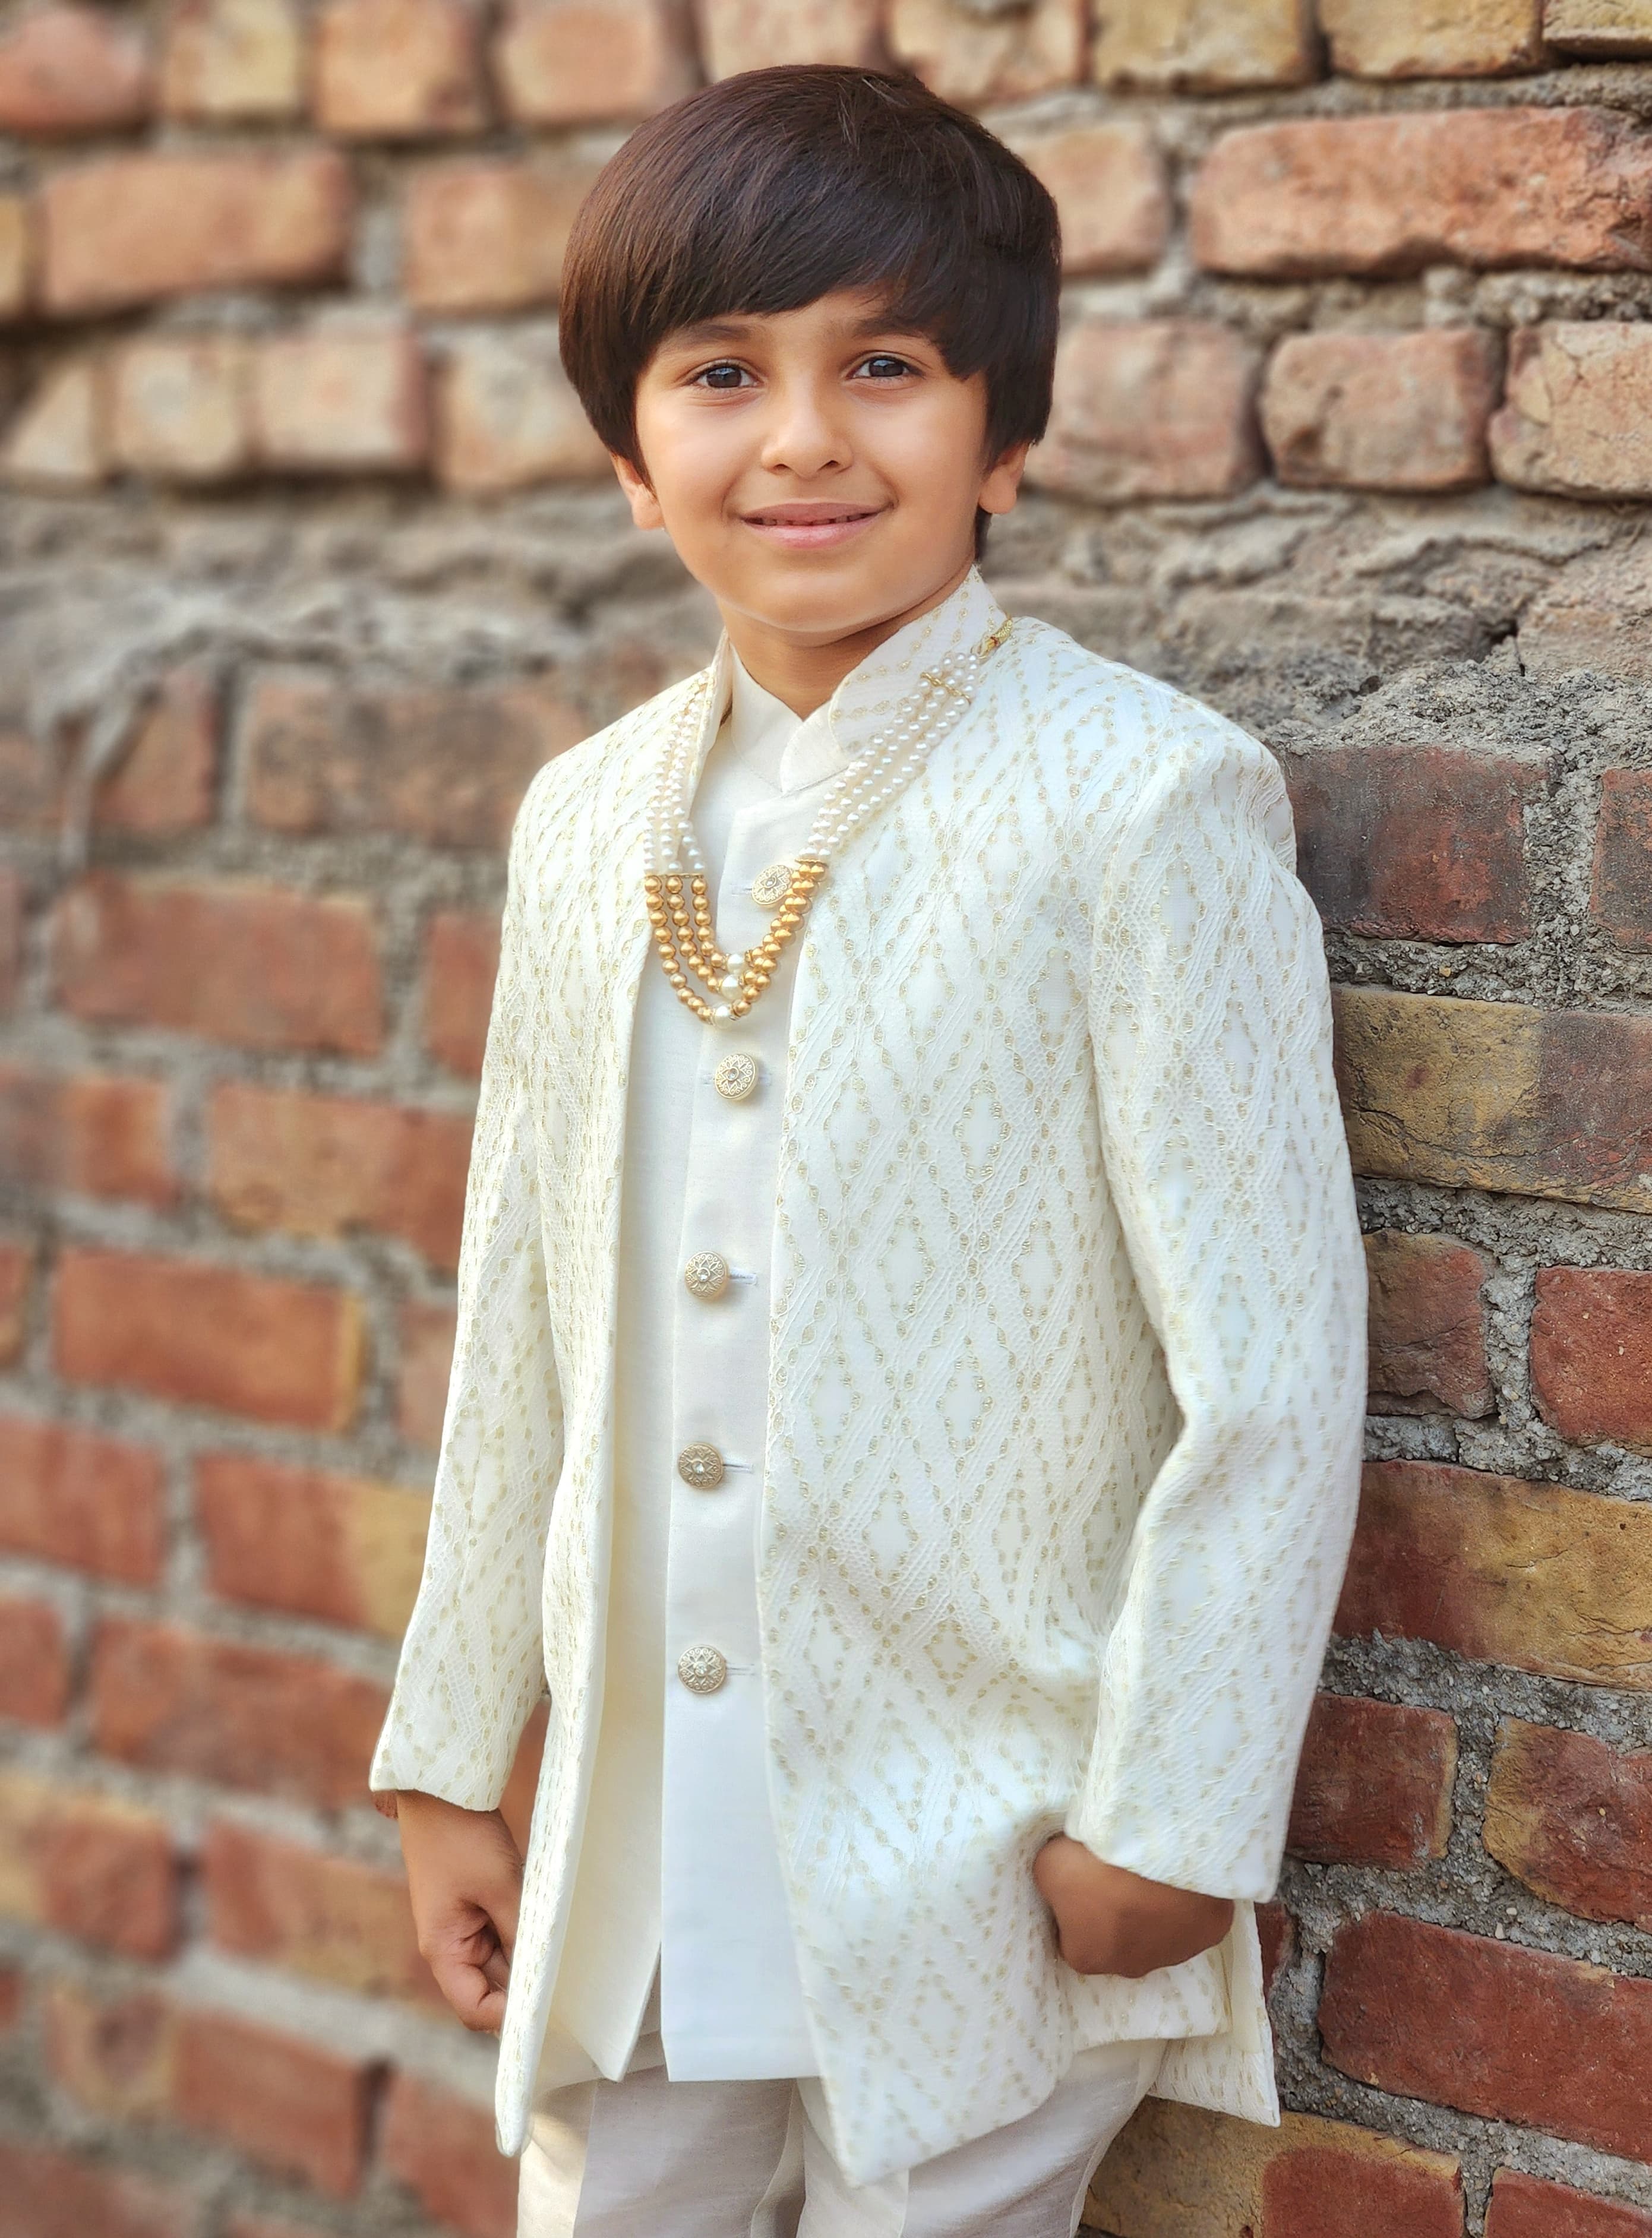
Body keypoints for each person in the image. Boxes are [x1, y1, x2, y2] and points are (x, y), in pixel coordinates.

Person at [367, 63, 1367, 2238]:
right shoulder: (586, 820)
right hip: (637, 1844)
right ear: (629, 455)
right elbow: (517, 1316)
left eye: (887, 368)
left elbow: (1273, 1369)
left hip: (981, 1861)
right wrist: (451, 1755)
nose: (805, 438)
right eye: (724, 374)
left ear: (1006, 434)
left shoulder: (1143, 801)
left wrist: (1181, 1812)